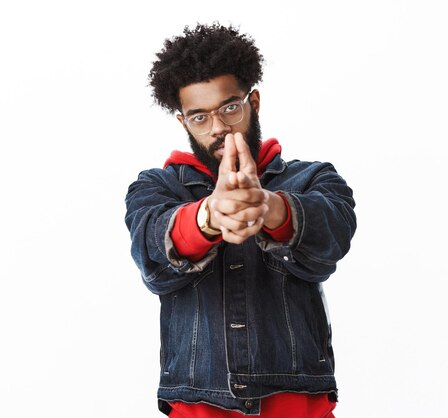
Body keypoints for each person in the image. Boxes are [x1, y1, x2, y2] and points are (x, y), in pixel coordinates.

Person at [124, 23, 357, 417]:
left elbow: (332, 235)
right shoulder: (155, 187)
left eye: (230, 108)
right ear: (183, 123)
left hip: (300, 406)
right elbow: (152, 251)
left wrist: (268, 206)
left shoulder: (314, 178)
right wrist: (209, 216)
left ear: (254, 102)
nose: (218, 128)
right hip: (198, 408)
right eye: (199, 117)